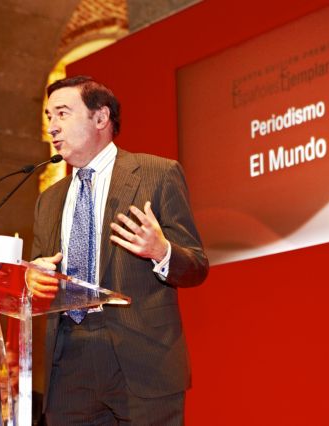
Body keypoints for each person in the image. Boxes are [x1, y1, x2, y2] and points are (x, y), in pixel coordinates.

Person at [27, 75, 209, 425]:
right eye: (49, 117)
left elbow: (197, 266)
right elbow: (41, 267)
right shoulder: (48, 200)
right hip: (68, 360)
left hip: (142, 359)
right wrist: (33, 278)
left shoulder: (157, 174)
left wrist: (162, 251)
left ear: (100, 118)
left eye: (62, 113)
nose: (52, 127)